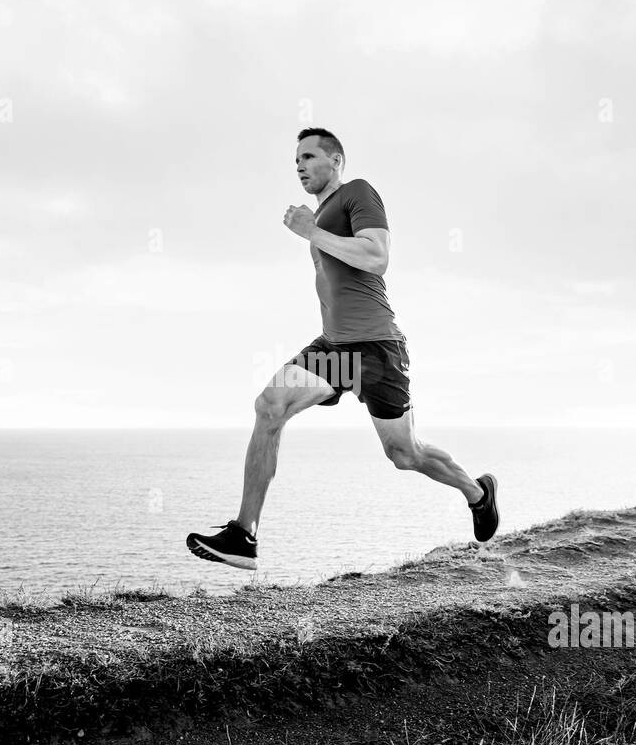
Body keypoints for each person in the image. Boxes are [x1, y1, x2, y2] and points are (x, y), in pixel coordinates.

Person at [186, 127, 498, 570]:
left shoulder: (357, 192)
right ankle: (244, 535)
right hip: (335, 349)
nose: (299, 166)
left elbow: (376, 257)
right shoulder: (321, 214)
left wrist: (312, 231)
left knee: (404, 454)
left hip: (377, 347)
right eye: (295, 161)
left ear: (335, 160)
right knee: (269, 406)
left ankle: (478, 492)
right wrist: (314, 229)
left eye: (309, 157)